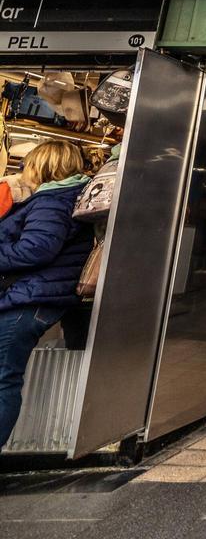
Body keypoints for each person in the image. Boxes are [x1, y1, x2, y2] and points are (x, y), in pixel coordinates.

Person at [0, 140, 92, 445]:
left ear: (42, 165)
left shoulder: (52, 200)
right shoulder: (66, 196)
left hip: (29, 299)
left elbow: (37, 248)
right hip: (33, 295)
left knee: (3, 381)